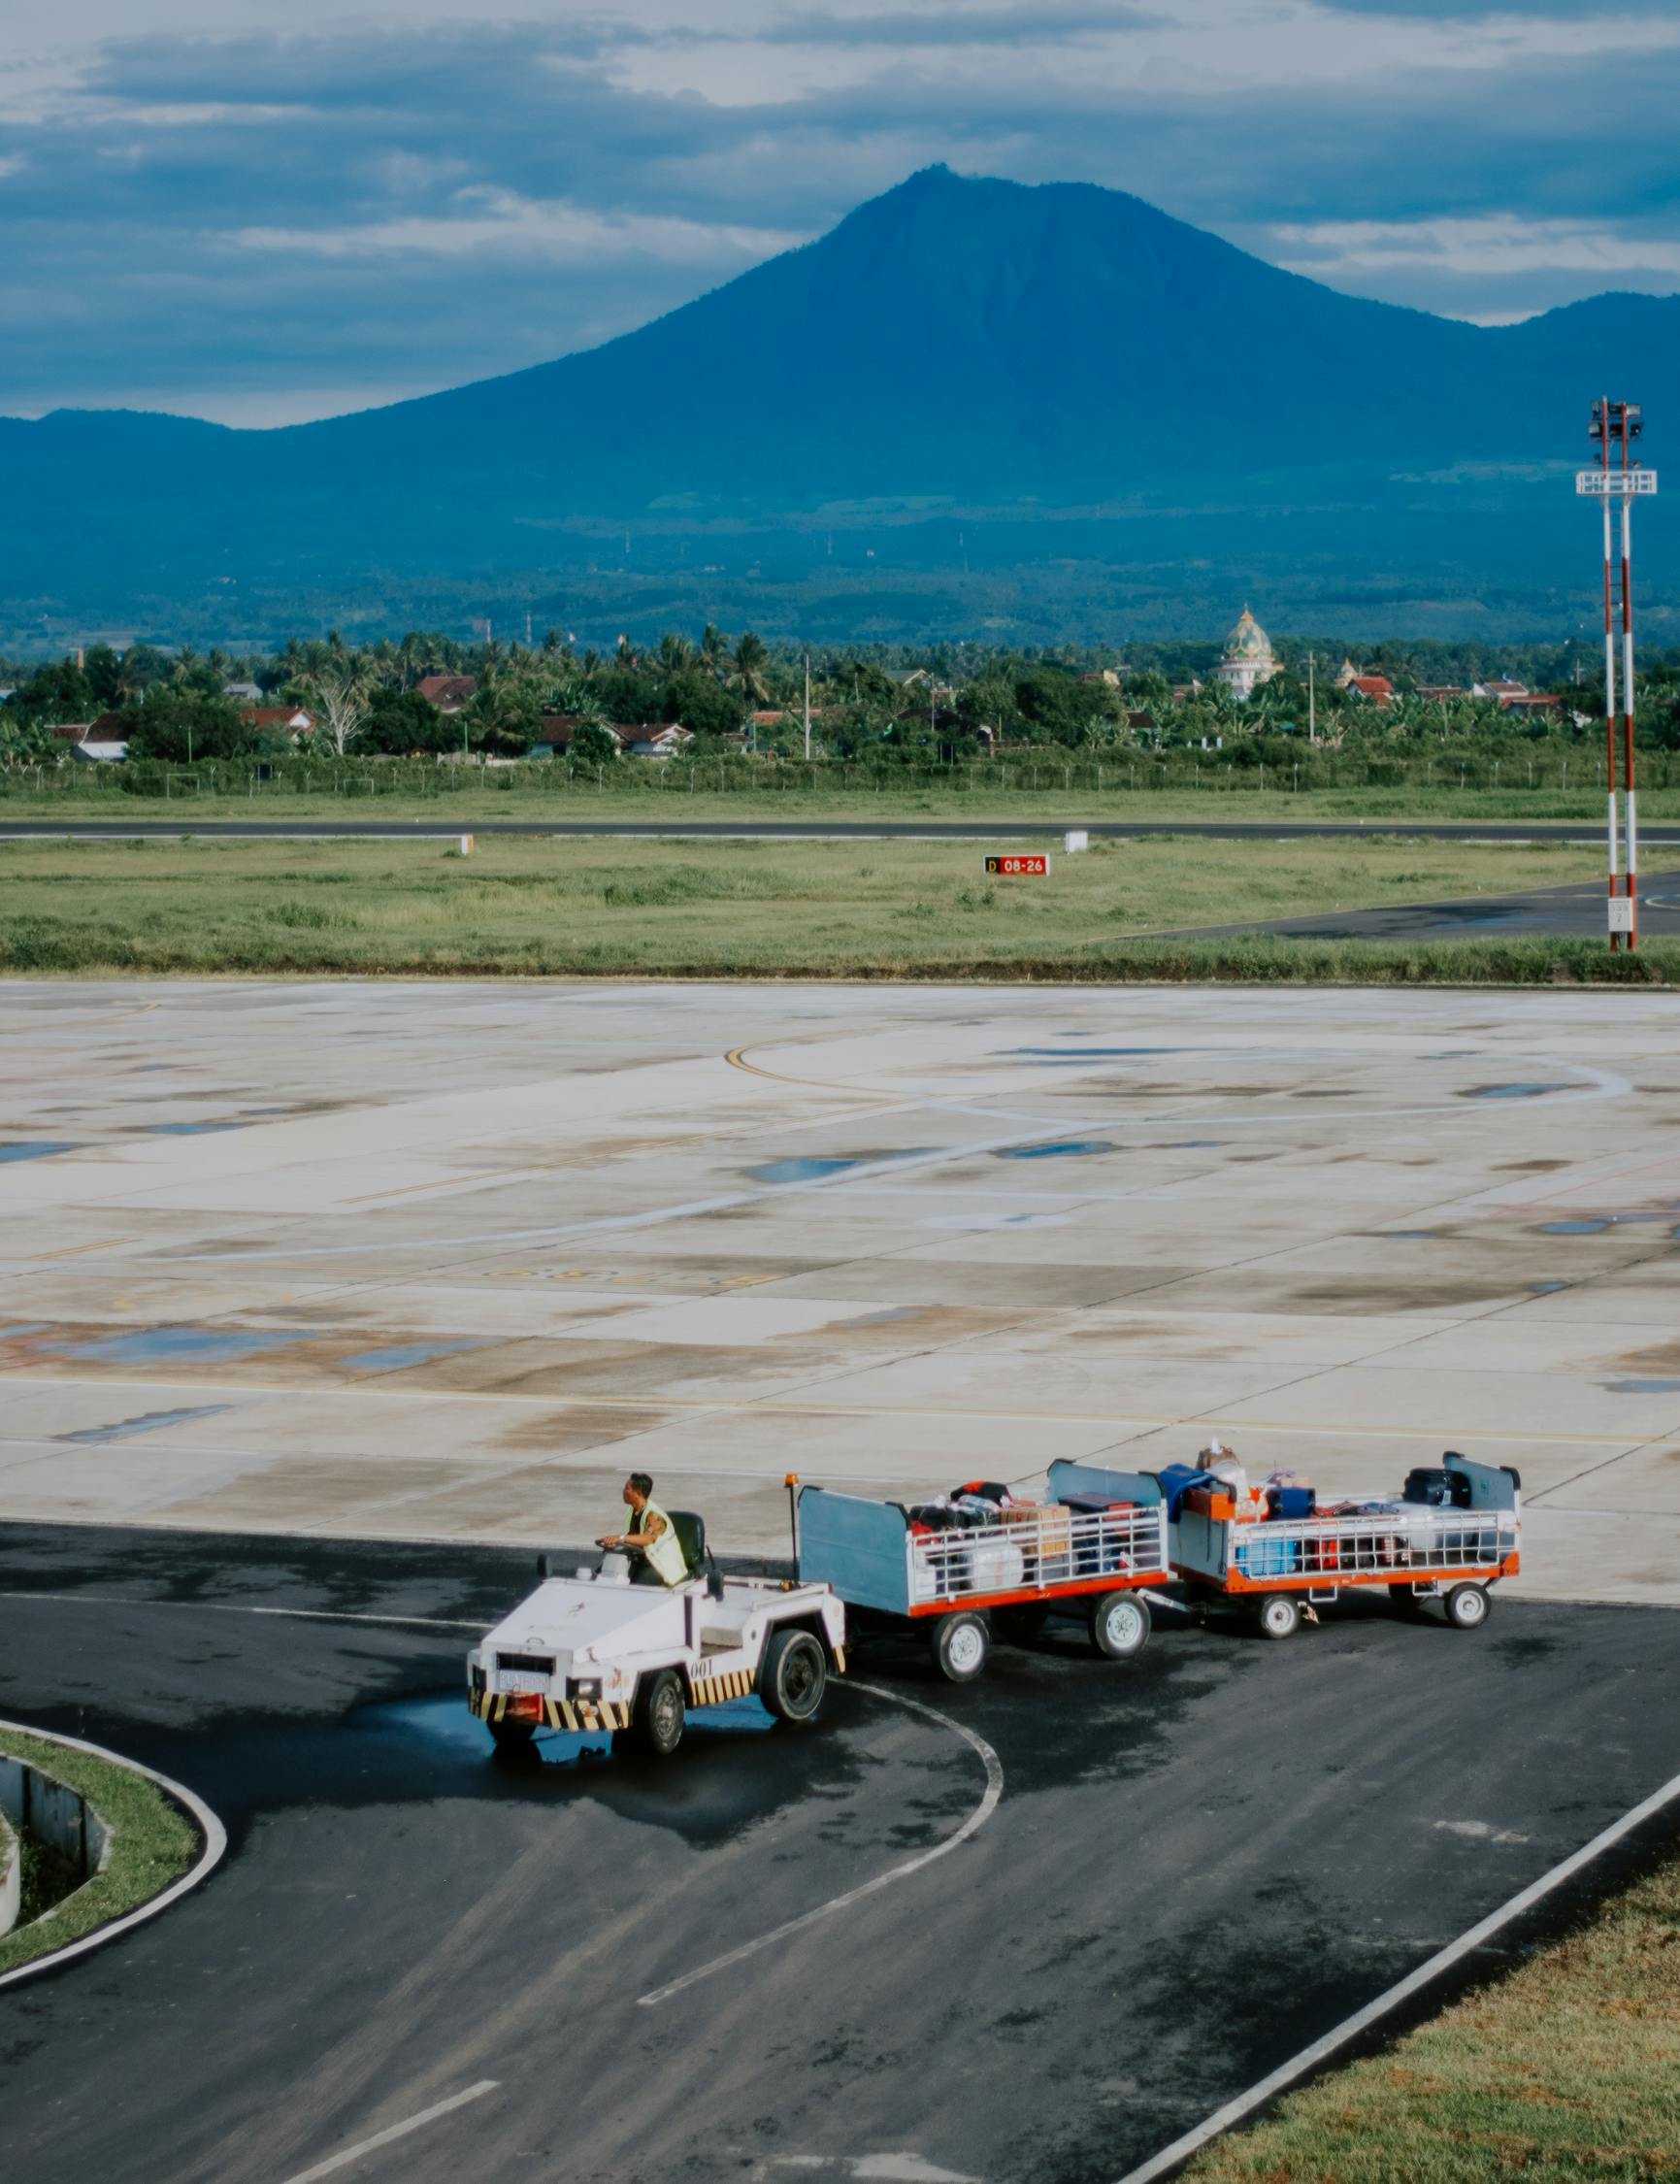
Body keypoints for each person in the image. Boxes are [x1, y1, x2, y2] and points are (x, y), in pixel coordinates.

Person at [598, 1473, 687, 1587]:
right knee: (603, 1575)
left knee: (635, 1585)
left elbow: (647, 1538)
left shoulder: (654, 1515)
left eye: (627, 1488)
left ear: (638, 1493)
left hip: (660, 1564)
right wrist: (614, 1544)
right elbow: (632, 1537)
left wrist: (620, 1538)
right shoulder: (633, 1510)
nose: (623, 1491)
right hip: (642, 1559)